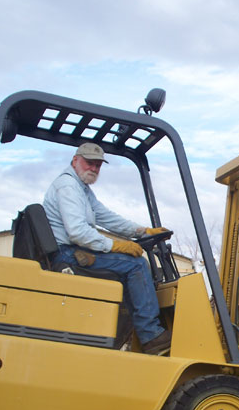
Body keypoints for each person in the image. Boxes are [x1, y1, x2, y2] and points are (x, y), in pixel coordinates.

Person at [43, 142, 171, 355]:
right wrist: (117, 245)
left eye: (98, 165)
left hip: (73, 251)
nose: (93, 168)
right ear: (75, 160)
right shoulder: (68, 186)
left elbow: (106, 217)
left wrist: (143, 231)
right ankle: (151, 335)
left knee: (128, 270)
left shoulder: (81, 189)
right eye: (89, 163)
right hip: (66, 254)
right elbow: (77, 232)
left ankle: (137, 334)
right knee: (137, 265)